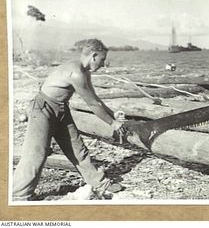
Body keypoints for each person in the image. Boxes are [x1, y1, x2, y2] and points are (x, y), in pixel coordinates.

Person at [13, 39, 127, 201]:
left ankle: (100, 183)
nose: (103, 64)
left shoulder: (84, 71)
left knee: (77, 148)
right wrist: (112, 124)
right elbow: (92, 104)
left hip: (60, 108)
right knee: (36, 153)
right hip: (43, 108)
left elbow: (96, 99)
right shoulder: (76, 73)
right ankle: (18, 195)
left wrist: (113, 114)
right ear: (94, 56)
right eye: (102, 59)